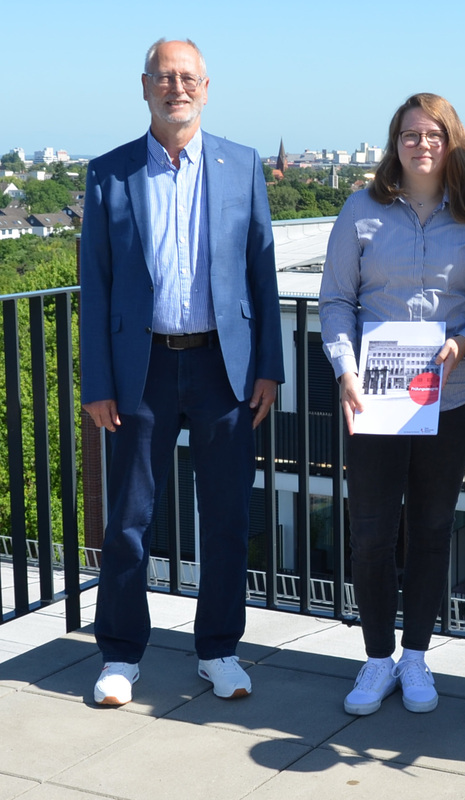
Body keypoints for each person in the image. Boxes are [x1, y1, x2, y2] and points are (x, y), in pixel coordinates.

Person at [80, 38, 284, 705]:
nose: (177, 87)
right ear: (144, 87)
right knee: (129, 520)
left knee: (226, 517)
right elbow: (97, 284)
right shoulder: (109, 172)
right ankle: (120, 655)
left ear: (206, 86)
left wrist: (270, 368)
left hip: (223, 370)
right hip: (140, 372)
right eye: (164, 77)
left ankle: (219, 650)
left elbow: (261, 272)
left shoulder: (241, 164)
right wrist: (98, 383)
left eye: (188, 76)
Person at [320, 93, 465, 716]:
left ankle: (417, 655)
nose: (421, 145)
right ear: (394, 142)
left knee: (432, 529)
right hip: (374, 397)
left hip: (453, 398)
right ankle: (378, 658)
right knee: (373, 533)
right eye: (410, 135)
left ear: (452, 142)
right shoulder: (361, 209)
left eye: (434, 135)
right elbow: (334, 302)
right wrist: (345, 369)